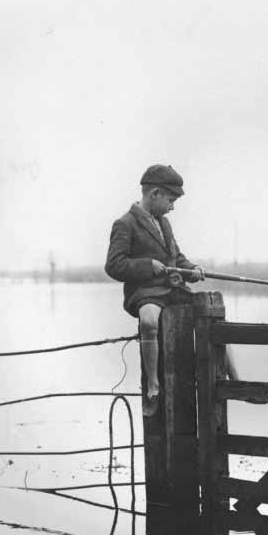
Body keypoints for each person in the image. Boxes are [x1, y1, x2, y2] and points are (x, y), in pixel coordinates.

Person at [105, 164, 221, 415]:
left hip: (171, 289)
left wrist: (193, 268)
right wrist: (148, 266)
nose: (172, 206)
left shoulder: (165, 224)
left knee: (211, 312)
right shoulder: (124, 224)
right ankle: (153, 385)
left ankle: (232, 377)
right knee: (148, 320)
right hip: (145, 292)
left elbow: (176, 257)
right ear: (154, 193)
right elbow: (114, 265)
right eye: (171, 199)